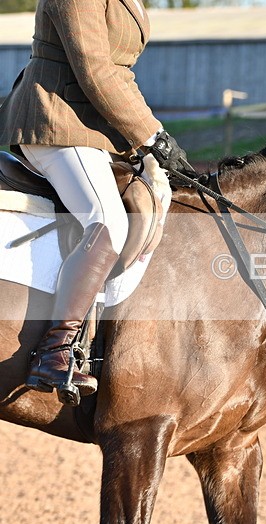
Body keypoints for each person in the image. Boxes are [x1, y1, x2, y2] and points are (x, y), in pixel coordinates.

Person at [0, 0, 191, 401]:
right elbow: (93, 68)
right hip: (55, 120)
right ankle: (56, 349)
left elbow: (122, 74)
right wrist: (150, 136)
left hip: (94, 127)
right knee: (108, 221)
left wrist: (151, 139)